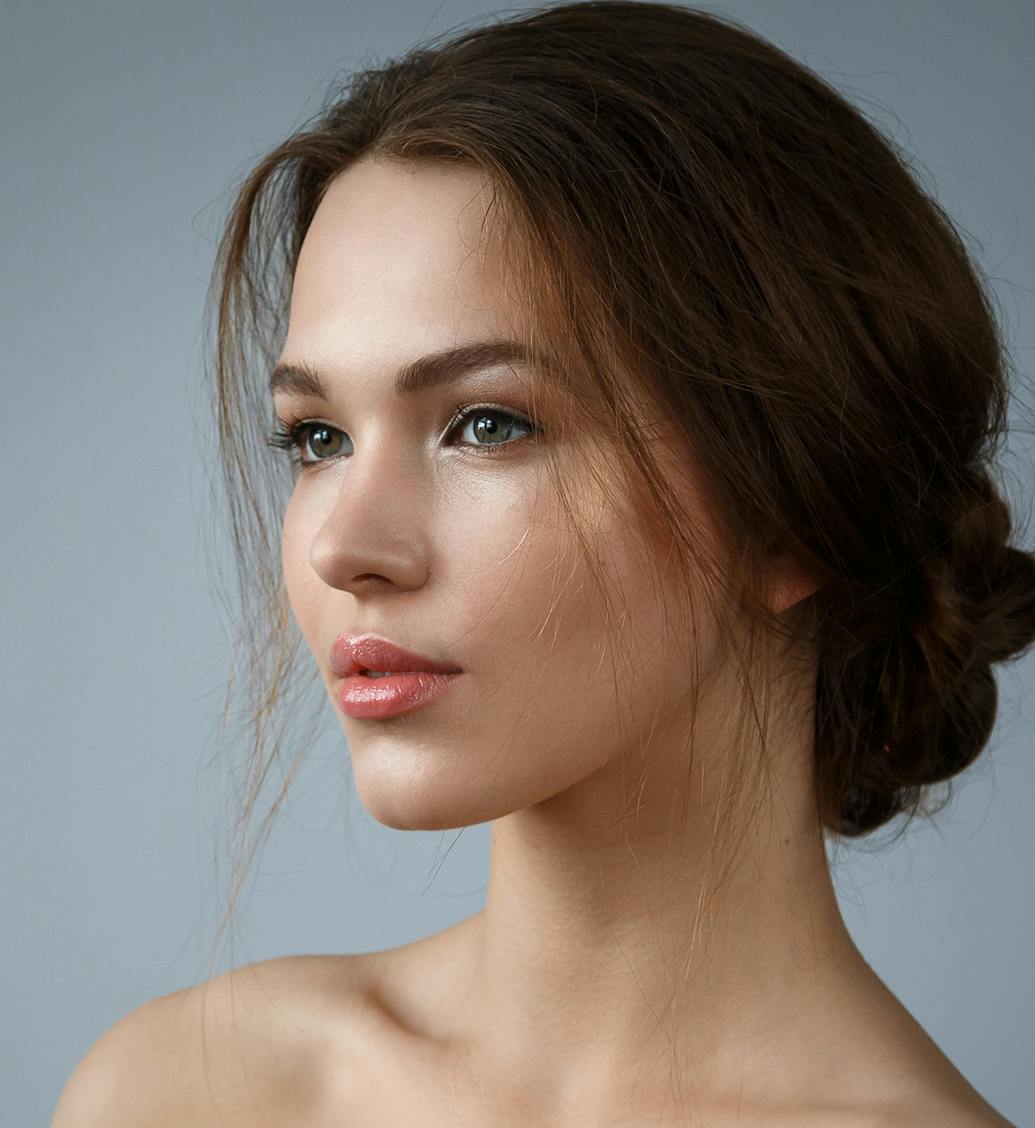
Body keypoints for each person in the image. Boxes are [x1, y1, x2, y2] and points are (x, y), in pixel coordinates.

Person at [53, 2, 1031, 1124]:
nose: (342, 548)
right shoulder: (184, 1093)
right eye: (318, 439)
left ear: (795, 512)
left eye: (488, 424)